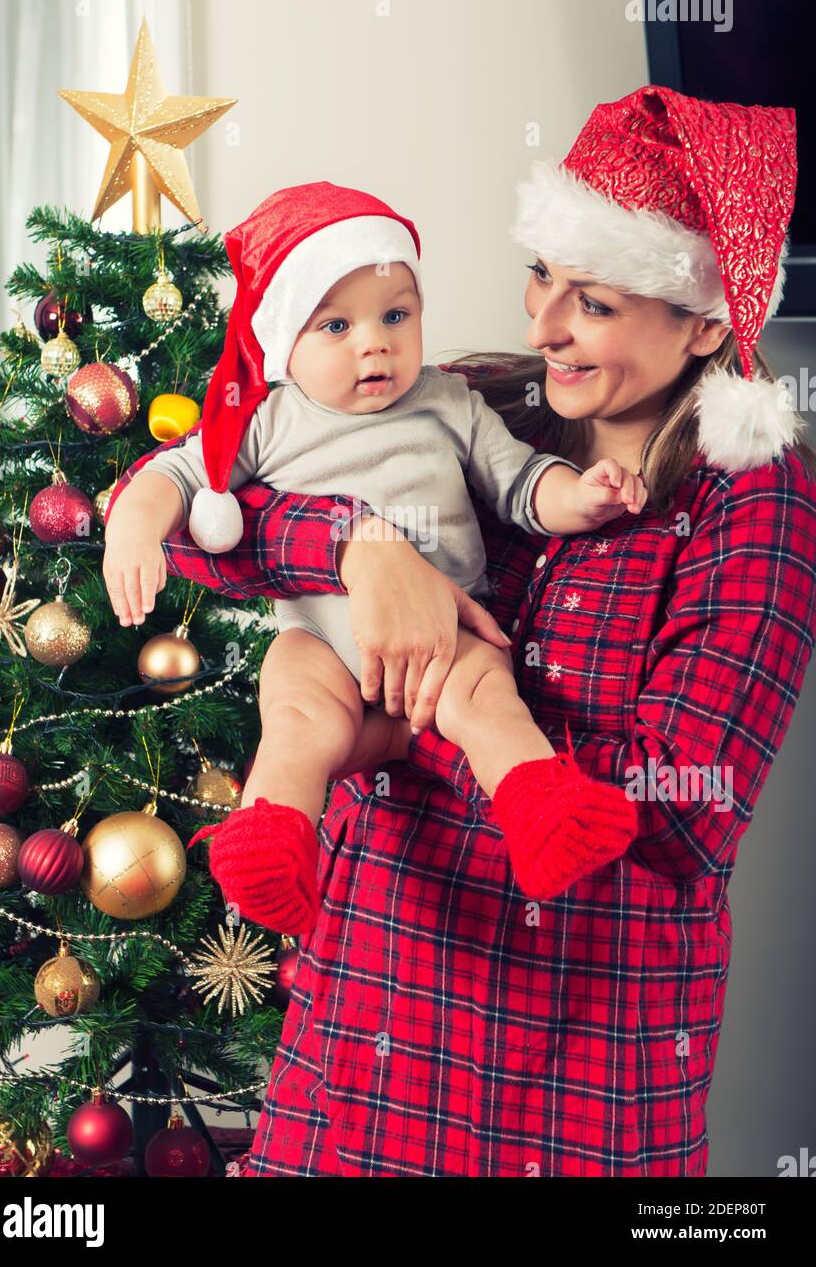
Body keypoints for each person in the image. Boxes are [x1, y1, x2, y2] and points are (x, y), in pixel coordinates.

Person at [104, 85, 816, 1175]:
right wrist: (361, 545)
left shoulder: (748, 501)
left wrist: (413, 721)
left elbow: (686, 812)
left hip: (563, 1083)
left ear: (705, 319)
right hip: (357, 1042)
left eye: (594, 301)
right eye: (541, 277)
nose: (541, 327)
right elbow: (204, 533)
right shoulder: (479, 398)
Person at [104, 181, 646, 935]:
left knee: (488, 696)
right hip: (320, 641)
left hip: (441, 638)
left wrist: (580, 498)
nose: (374, 343)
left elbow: (520, 481)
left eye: (396, 315)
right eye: (335, 325)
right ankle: (270, 839)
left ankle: (540, 808)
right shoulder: (267, 419)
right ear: (286, 340)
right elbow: (175, 474)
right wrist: (132, 528)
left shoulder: (449, 401)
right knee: (294, 716)